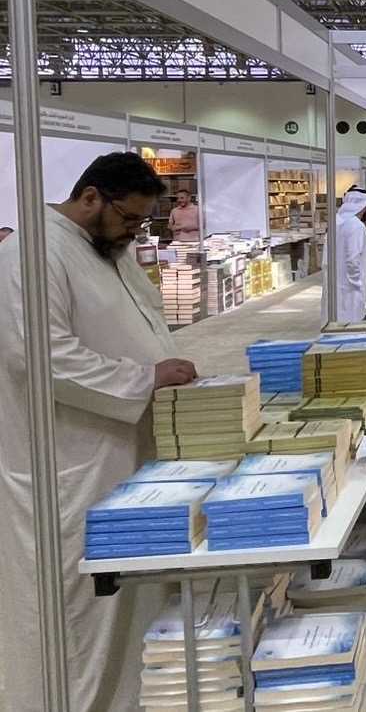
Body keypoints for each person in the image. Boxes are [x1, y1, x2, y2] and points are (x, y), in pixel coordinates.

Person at [0, 151, 198, 711]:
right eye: (128, 218)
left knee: (133, 597)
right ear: (90, 197)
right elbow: (38, 355)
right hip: (71, 463)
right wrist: (143, 377)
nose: (134, 231)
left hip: (124, 451)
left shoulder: (106, 247)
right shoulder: (31, 254)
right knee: (79, 611)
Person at [324, 186, 366, 323]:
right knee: (350, 322)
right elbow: (353, 259)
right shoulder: (356, 226)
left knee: (333, 320)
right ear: (363, 206)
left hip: (332, 282)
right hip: (350, 288)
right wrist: (356, 283)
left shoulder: (336, 221)